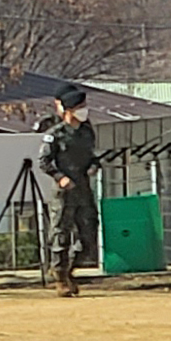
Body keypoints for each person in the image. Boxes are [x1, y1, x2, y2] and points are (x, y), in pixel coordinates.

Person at [42, 84, 103, 297]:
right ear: (68, 110)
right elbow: (45, 162)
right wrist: (60, 178)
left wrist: (94, 165)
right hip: (64, 193)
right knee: (60, 235)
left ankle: (70, 270)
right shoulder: (55, 135)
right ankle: (60, 276)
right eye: (80, 106)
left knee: (88, 235)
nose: (84, 110)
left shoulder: (86, 131)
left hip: (84, 190)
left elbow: (91, 155)